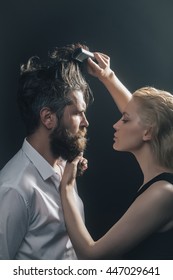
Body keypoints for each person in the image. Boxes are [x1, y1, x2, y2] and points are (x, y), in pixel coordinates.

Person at [60, 52, 173, 259]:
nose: (116, 124)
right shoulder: (162, 182)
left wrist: (66, 189)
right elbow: (144, 117)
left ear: (148, 132)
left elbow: (91, 257)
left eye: (124, 119)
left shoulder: (163, 193)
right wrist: (107, 76)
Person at [0, 43, 93, 260]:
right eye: (78, 113)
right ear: (48, 118)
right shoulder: (14, 190)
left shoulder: (64, 166)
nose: (86, 123)